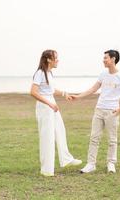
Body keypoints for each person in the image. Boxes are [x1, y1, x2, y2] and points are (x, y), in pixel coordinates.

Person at [70, 50, 120, 173]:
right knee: (94, 138)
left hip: (112, 112)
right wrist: (78, 96)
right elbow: (93, 89)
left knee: (112, 139)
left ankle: (111, 163)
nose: (103, 60)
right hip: (99, 109)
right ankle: (91, 164)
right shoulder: (103, 74)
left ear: (113, 59)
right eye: (103, 58)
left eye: (106, 58)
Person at [30, 49, 82, 177]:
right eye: (56, 58)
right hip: (45, 106)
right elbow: (33, 92)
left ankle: (66, 159)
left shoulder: (49, 73)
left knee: (60, 130)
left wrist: (65, 94)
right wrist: (49, 103)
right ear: (48, 59)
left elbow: (51, 90)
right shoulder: (40, 73)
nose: (58, 60)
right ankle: (47, 170)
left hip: (51, 104)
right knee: (47, 137)